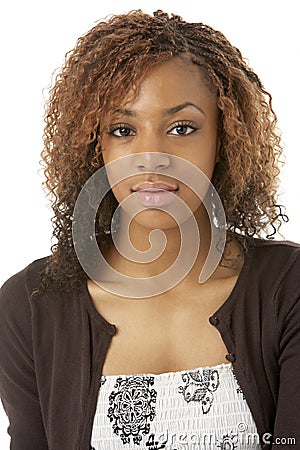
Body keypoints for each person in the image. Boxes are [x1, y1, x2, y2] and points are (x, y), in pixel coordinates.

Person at [0, 9, 299, 450]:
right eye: (123, 129)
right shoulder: (28, 308)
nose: (151, 155)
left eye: (182, 128)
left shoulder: (287, 288)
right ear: (94, 146)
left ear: (224, 138)